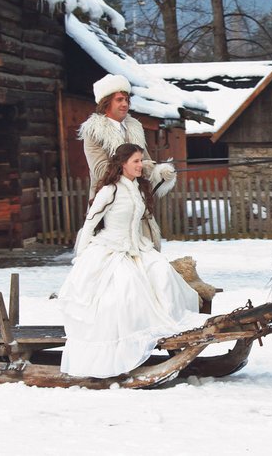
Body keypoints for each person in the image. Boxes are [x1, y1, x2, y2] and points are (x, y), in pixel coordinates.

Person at [58, 143, 205, 378]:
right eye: (136, 161)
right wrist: (82, 257)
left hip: (138, 248)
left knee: (162, 271)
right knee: (126, 288)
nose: (141, 165)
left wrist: (164, 176)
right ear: (123, 163)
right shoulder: (110, 190)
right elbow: (90, 223)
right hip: (111, 249)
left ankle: (172, 329)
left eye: (140, 160)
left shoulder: (137, 187)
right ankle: (124, 347)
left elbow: (154, 190)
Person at [78, 74, 175, 251]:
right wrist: (136, 166)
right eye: (119, 100)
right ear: (106, 102)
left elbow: (144, 162)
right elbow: (101, 171)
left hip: (137, 201)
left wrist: (159, 172)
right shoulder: (93, 131)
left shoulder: (134, 127)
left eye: (127, 99)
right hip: (111, 204)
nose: (125, 104)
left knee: (145, 257)